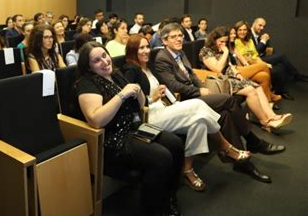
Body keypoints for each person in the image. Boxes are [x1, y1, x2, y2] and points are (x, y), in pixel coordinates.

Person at [154, 23, 284, 183]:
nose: (179, 39)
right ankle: (253, 140)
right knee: (229, 101)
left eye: (180, 35)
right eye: (173, 37)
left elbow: (192, 75)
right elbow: (173, 85)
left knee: (225, 116)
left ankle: (242, 162)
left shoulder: (179, 53)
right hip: (186, 100)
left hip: (197, 94)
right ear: (164, 40)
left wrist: (202, 87)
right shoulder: (162, 58)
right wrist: (198, 91)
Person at [75, 41, 184, 216]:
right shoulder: (86, 83)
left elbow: (141, 104)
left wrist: (138, 91)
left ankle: (168, 197)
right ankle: (149, 214)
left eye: (104, 55)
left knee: (175, 144)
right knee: (162, 157)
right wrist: (122, 95)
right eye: (96, 60)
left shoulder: (116, 75)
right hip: (112, 139)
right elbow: (96, 119)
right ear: (88, 67)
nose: (104, 61)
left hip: (134, 128)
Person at [123, 35, 250, 191]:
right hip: (148, 117)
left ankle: (187, 169)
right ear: (132, 50)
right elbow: (130, 102)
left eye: (147, 47)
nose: (146, 51)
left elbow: (165, 90)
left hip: (165, 109)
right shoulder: (130, 69)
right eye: (141, 48)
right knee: (197, 104)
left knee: (201, 120)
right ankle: (226, 147)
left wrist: (167, 99)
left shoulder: (149, 67)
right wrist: (152, 98)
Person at [200, 27, 292, 132]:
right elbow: (218, 68)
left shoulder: (220, 49)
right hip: (220, 81)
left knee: (257, 87)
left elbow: (230, 66)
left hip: (231, 77)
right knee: (250, 90)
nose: (223, 44)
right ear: (214, 39)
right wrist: (225, 53)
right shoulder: (205, 51)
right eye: (221, 41)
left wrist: (238, 74)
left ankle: (272, 116)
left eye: (225, 42)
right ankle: (266, 121)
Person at [233, 21, 290, 100]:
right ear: (236, 31)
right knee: (264, 66)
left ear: (247, 31)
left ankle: (267, 98)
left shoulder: (250, 41)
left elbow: (256, 56)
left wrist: (262, 63)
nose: (242, 32)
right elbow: (247, 58)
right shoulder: (236, 41)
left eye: (245, 30)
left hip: (252, 65)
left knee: (264, 76)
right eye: (240, 30)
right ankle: (270, 95)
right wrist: (263, 64)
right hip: (243, 67)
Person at [228, 27, 279, 103]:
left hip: (241, 68)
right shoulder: (224, 46)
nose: (233, 35)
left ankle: (268, 101)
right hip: (233, 71)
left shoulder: (232, 46)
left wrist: (247, 65)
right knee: (263, 66)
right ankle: (270, 93)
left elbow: (241, 58)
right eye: (231, 34)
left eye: (234, 33)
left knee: (264, 76)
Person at [251, 17, 308, 82]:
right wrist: (263, 41)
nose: (262, 28)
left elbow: (263, 49)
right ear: (254, 24)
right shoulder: (248, 34)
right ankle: (297, 76)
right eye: (260, 25)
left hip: (261, 57)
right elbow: (254, 51)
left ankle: (282, 86)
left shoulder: (257, 34)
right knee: (281, 56)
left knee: (280, 65)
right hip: (254, 59)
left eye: (263, 26)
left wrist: (266, 41)